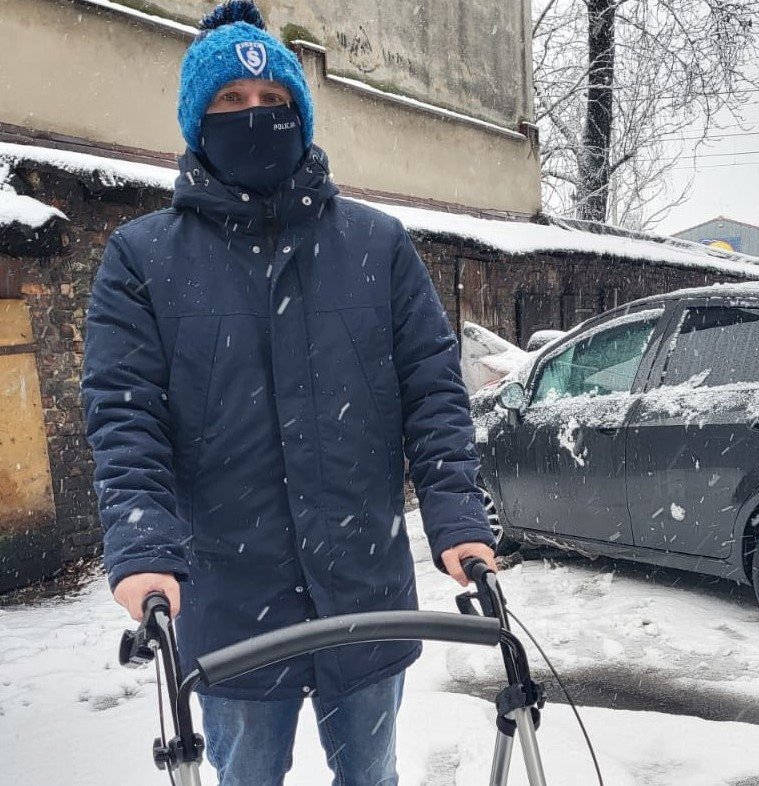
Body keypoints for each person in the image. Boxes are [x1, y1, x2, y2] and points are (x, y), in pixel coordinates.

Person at [79, 2, 497, 784]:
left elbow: (433, 393)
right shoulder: (143, 259)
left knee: (370, 774)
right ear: (196, 121)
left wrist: (457, 519)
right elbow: (125, 416)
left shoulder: (377, 246)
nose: (255, 113)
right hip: (232, 601)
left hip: (363, 588)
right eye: (231, 101)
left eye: (273, 99)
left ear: (300, 113)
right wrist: (143, 547)